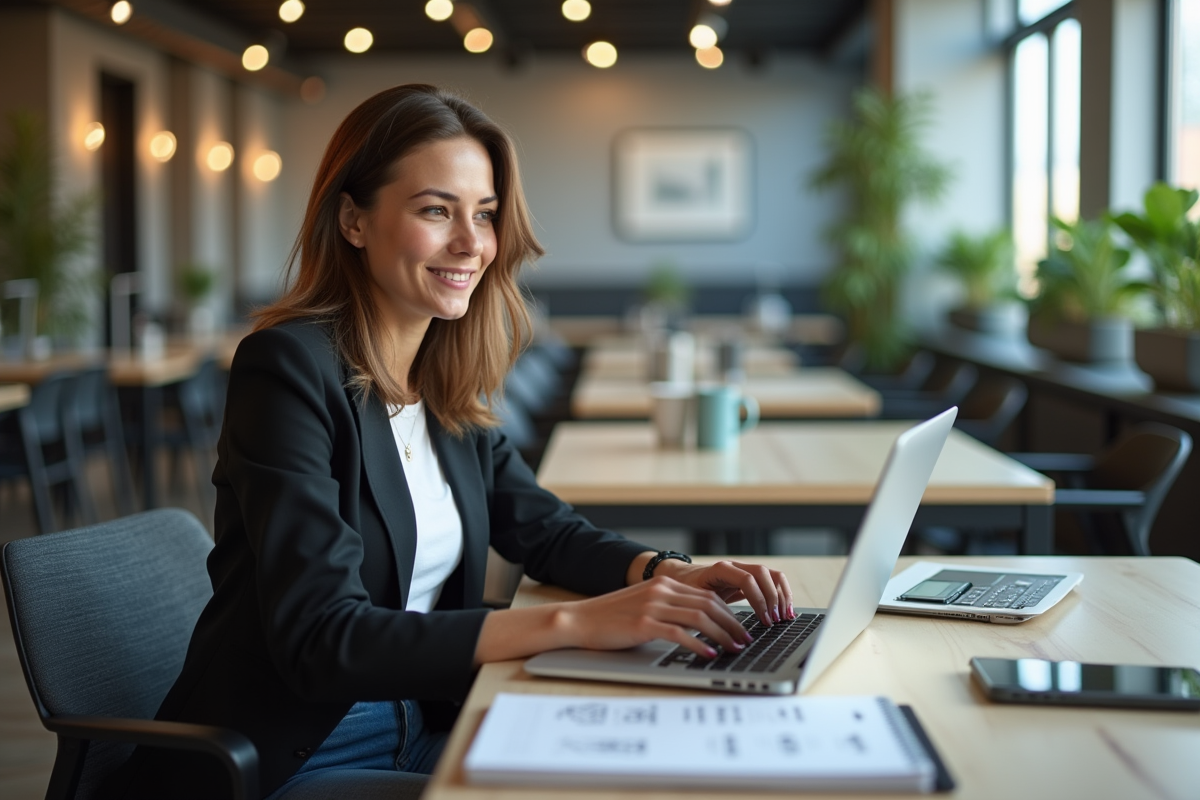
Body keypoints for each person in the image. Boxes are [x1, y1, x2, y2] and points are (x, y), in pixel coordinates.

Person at [108, 84, 793, 800]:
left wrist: (663, 573)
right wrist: (574, 623)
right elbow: (323, 636)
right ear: (353, 220)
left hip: (429, 719)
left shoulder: (439, 380)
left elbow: (545, 530)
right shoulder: (287, 368)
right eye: (436, 210)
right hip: (297, 755)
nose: (471, 243)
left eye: (485, 214)